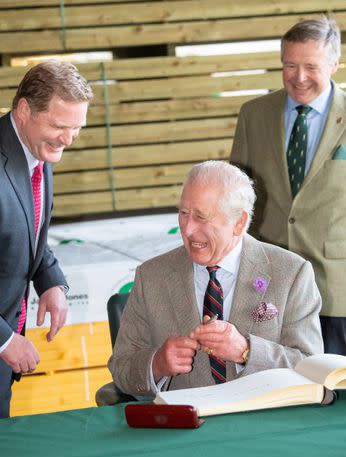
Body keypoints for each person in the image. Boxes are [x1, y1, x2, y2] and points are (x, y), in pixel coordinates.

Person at [99, 160, 322, 402]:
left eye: (201, 217)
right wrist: (157, 363)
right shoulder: (151, 276)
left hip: (265, 425)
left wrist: (247, 351)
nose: (188, 229)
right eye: (183, 213)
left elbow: (311, 368)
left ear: (238, 222)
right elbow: (121, 367)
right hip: (184, 428)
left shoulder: (292, 272)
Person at [230, 16, 346, 355]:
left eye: (311, 66)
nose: (299, 77)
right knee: (282, 391)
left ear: (335, 64)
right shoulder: (254, 114)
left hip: (337, 290)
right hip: (269, 288)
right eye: (289, 65)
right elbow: (237, 196)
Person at [0, 60, 93, 418]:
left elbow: (24, 229)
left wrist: (49, 279)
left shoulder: (36, 147)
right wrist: (6, 340)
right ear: (24, 110)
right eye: (59, 126)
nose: (67, 140)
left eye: (76, 128)